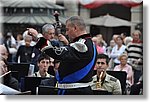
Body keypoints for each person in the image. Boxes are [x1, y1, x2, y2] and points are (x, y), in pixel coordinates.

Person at [28, 16, 97, 95]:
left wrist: (38, 36)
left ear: (75, 28)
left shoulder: (82, 45)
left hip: (75, 92)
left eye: (67, 30)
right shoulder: (89, 43)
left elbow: (56, 53)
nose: (66, 33)